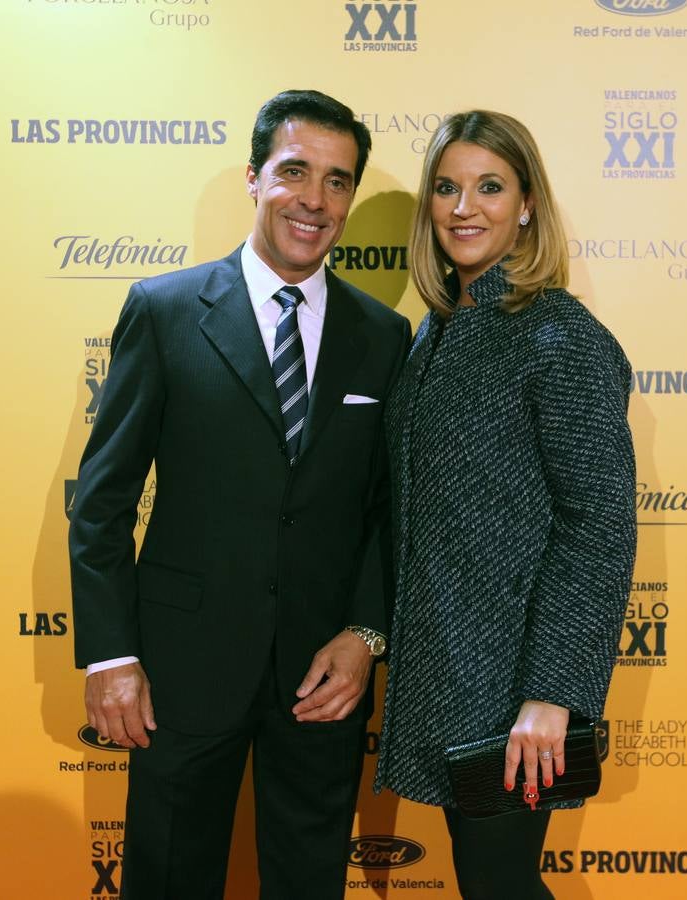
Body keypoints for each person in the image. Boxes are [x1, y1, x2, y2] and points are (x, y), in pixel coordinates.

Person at [69, 89, 410, 899]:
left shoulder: (383, 335)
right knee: (168, 876)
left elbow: (386, 509)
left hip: (322, 674)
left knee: (307, 882)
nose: (315, 200)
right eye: (295, 172)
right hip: (181, 670)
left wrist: (365, 634)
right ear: (255, 179)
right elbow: (103, 498)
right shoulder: (165, 310)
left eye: (337, 181)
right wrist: (111, 654)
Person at [374, 110, 637, 899]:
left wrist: (553, 693)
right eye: (446, 188)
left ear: (526, 204)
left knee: (499, 885)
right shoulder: (436, 332)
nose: (464, 207)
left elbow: (597, 525)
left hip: (517, 687)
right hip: (446, 670)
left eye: (489, 187)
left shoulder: (559, 335)